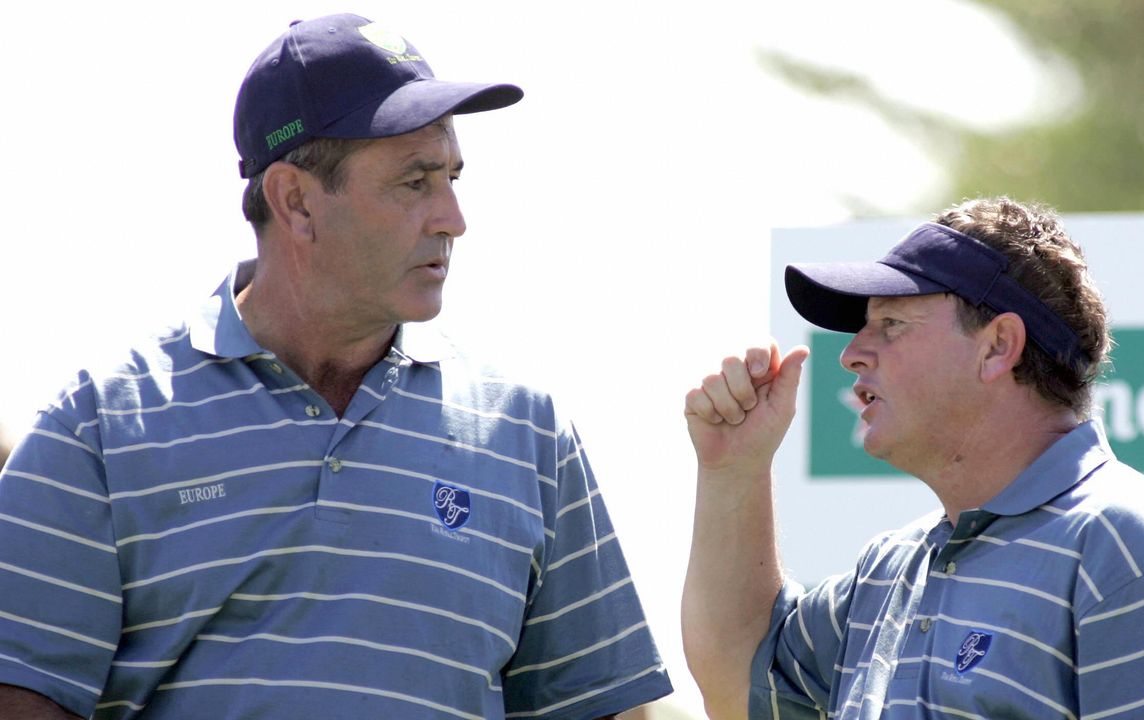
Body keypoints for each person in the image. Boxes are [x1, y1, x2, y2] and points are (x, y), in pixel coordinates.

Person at [0, 14, 671, 719]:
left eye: (452, 177)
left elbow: (597, 705)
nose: (453, 218)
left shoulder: (528, 430)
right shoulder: (102, 424)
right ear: (296, 201)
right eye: (415, 183)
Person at [681, 197, 1144, 718]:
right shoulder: (891, 567)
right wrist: (734, 470)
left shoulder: (1129, 547)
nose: (853, 353)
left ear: (998, 346)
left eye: (892, 324)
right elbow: (737, 687)